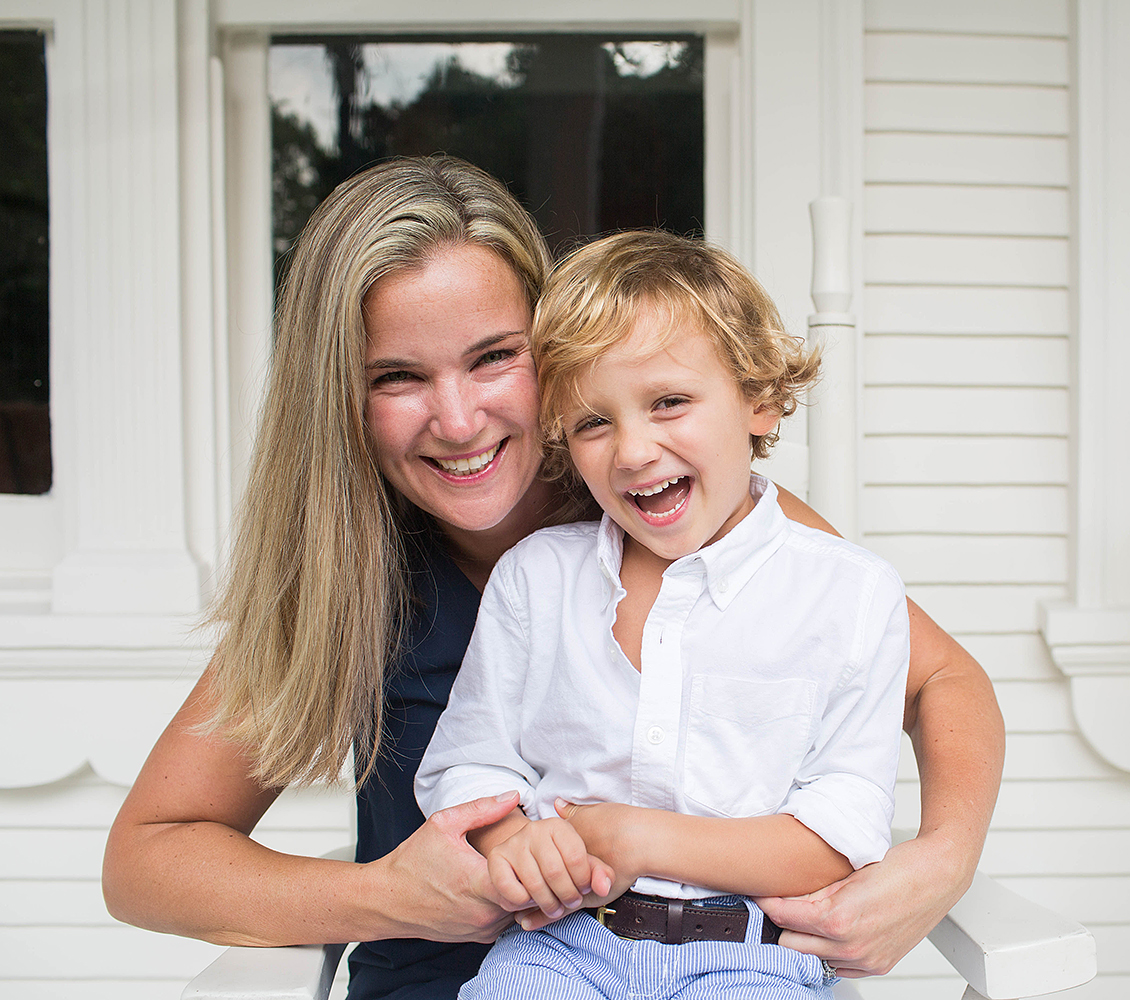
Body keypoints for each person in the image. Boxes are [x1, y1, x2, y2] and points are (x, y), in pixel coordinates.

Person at [100, 156, 1005, 1000]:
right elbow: (146, 863)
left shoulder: (697, 521)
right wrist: (388, 896)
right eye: (398, 376)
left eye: (495, 356)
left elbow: (943, 679)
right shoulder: (347, 578)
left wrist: (942, 860)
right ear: (343, 398)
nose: (459, 420)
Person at [414, 230, 909, 999]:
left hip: (750, 960)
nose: (634, 450)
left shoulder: (849, 596)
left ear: (758, 398)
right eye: (593, 422)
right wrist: (512, 839)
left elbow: (838, 836)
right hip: (560, 947)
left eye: (669, 402)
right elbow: (468, 763)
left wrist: (642, 839)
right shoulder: (536, 580)